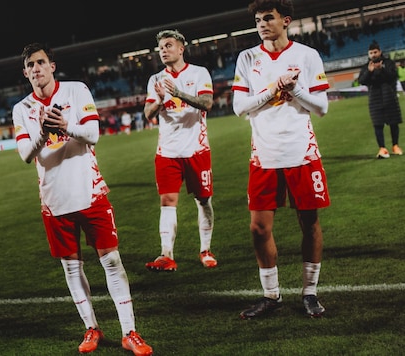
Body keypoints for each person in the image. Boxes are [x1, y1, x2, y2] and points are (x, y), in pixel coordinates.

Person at [11, 43, 153, 356]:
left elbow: (93, 135)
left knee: (111, 261)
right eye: (30, 66)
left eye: (40, 62)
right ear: (25, 73)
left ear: (52, 66)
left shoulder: (76, 91)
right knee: (72, 269)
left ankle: (130, 332)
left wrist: (64, 126)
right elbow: (25, 154)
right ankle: (92, 327)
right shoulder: (21, 108)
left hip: (89, 191)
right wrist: (44, 134)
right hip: (54, 198)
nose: (36, 69)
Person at [231, 0, 331, 319]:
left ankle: (310, 293)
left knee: (310, 223)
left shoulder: (307, 55)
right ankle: (271, 296)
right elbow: (238, 107)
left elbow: (322, 106)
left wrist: (296, 90)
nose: (262, 24)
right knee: (259, 229)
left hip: (302, 151)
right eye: (258, 20)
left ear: (285, 21)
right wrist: (273, 89)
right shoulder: (247, 58)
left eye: (268, 18)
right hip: (264, 153)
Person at [142, 29, 217, 272]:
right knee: (167, 202)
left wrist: (178, 93)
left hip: (196, 149)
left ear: (181, 48)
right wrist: (162, 99)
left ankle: (205, 250)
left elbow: (207, 103)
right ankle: (166, 255)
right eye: (161, 47)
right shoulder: (155, 80)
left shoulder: (199, 73)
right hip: (167, 152)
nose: (164, 50)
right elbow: (148, 114)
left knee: (203, 200)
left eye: (168, 45)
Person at [357, 41, 403, 158]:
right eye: (371, 53)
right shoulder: (366, 67)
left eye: (375, 52)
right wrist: (369, 71)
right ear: (368, 54)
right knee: (378, 125)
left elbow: (393, 76)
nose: (373, 55)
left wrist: (381, 69)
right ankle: (382, 148)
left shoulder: (388, 63)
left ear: (380, 52)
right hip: (374, 99)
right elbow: (362, 80)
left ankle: (395, 146)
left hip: (390, 97)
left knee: (393, 123)